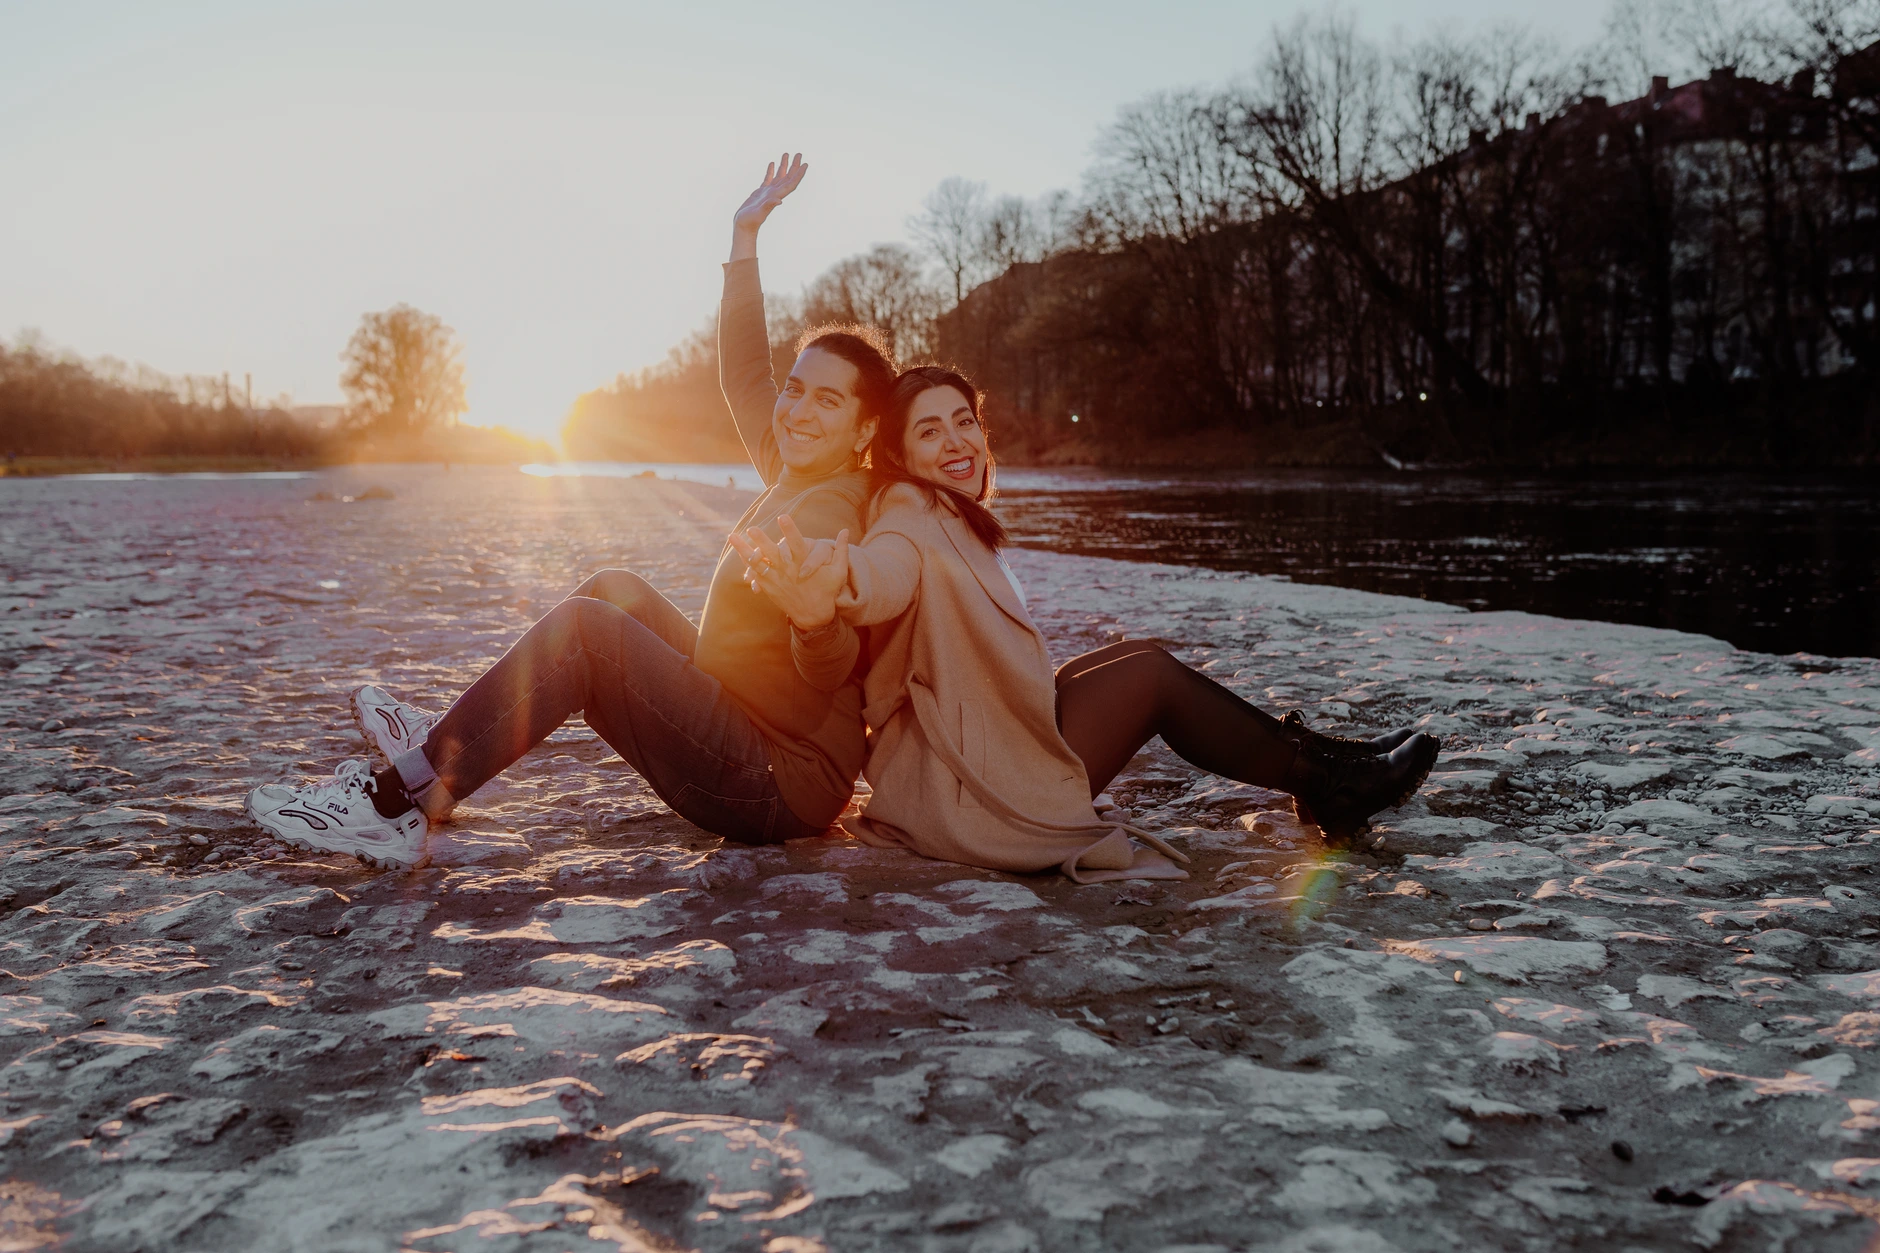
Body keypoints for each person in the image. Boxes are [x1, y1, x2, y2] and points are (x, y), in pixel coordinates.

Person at [243, 155, 891, 870]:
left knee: (587, 634)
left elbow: (833, 664)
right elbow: (745, 377)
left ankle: (395, 802)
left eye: (827, 401)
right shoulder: (802, 458)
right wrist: (745, 240)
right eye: (797, 389)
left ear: (865, 431)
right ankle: (452, 737)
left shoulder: (840, 508)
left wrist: (813, 614)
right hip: (743, 714)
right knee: (616, 589)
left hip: (774, 783)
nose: (797, 409)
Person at [731, 365, 1440, 882]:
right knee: (1151, 679)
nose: (956, 441)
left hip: (982, 747)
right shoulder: (909, 516)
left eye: (965, 421)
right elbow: (883, 572)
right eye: (929, 430)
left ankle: (1330, 765)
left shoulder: (952, 514)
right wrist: (835, 580)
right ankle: (1329, 780)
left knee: (1126, 658)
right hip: (970, 787)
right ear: (899, 455)